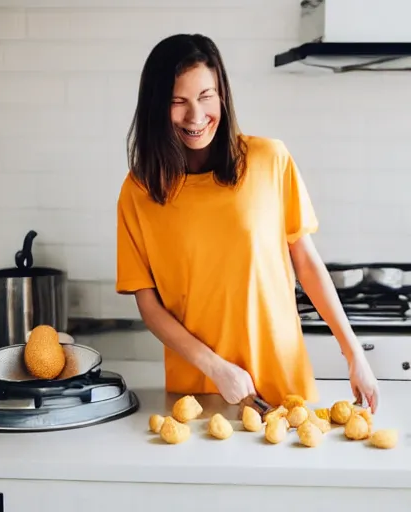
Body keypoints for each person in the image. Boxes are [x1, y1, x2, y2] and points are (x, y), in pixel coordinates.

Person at [115, 33, 379, 412]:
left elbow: (306, 262)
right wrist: (216, 367)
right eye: (178, 102)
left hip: (284, 383)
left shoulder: (269, 160)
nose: (196, 116)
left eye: (207, 96)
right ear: (156, 106)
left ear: (222, 94)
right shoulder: (138, 191)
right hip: (201, 389)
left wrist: (355, 355)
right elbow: (149, 305)